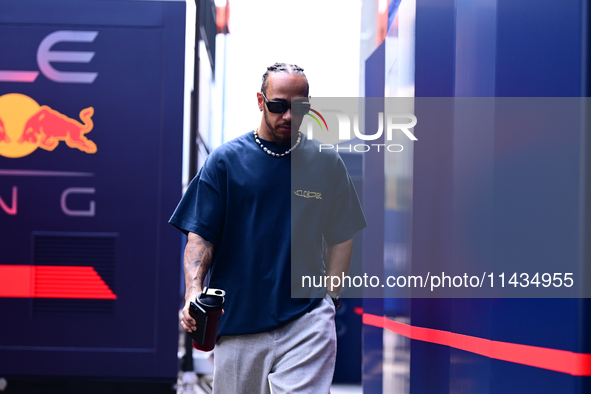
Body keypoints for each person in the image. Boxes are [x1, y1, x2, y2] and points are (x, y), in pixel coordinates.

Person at [169, 62, 366, 393]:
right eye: (278, 106)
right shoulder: (225, 161)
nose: (288, 115)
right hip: (238, 322)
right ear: (261, 101)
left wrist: (330, 299)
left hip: (307, 319)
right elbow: (201, 234)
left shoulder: (326, 163)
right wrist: (193, 293)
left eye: (298, 107)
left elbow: (342, 236)